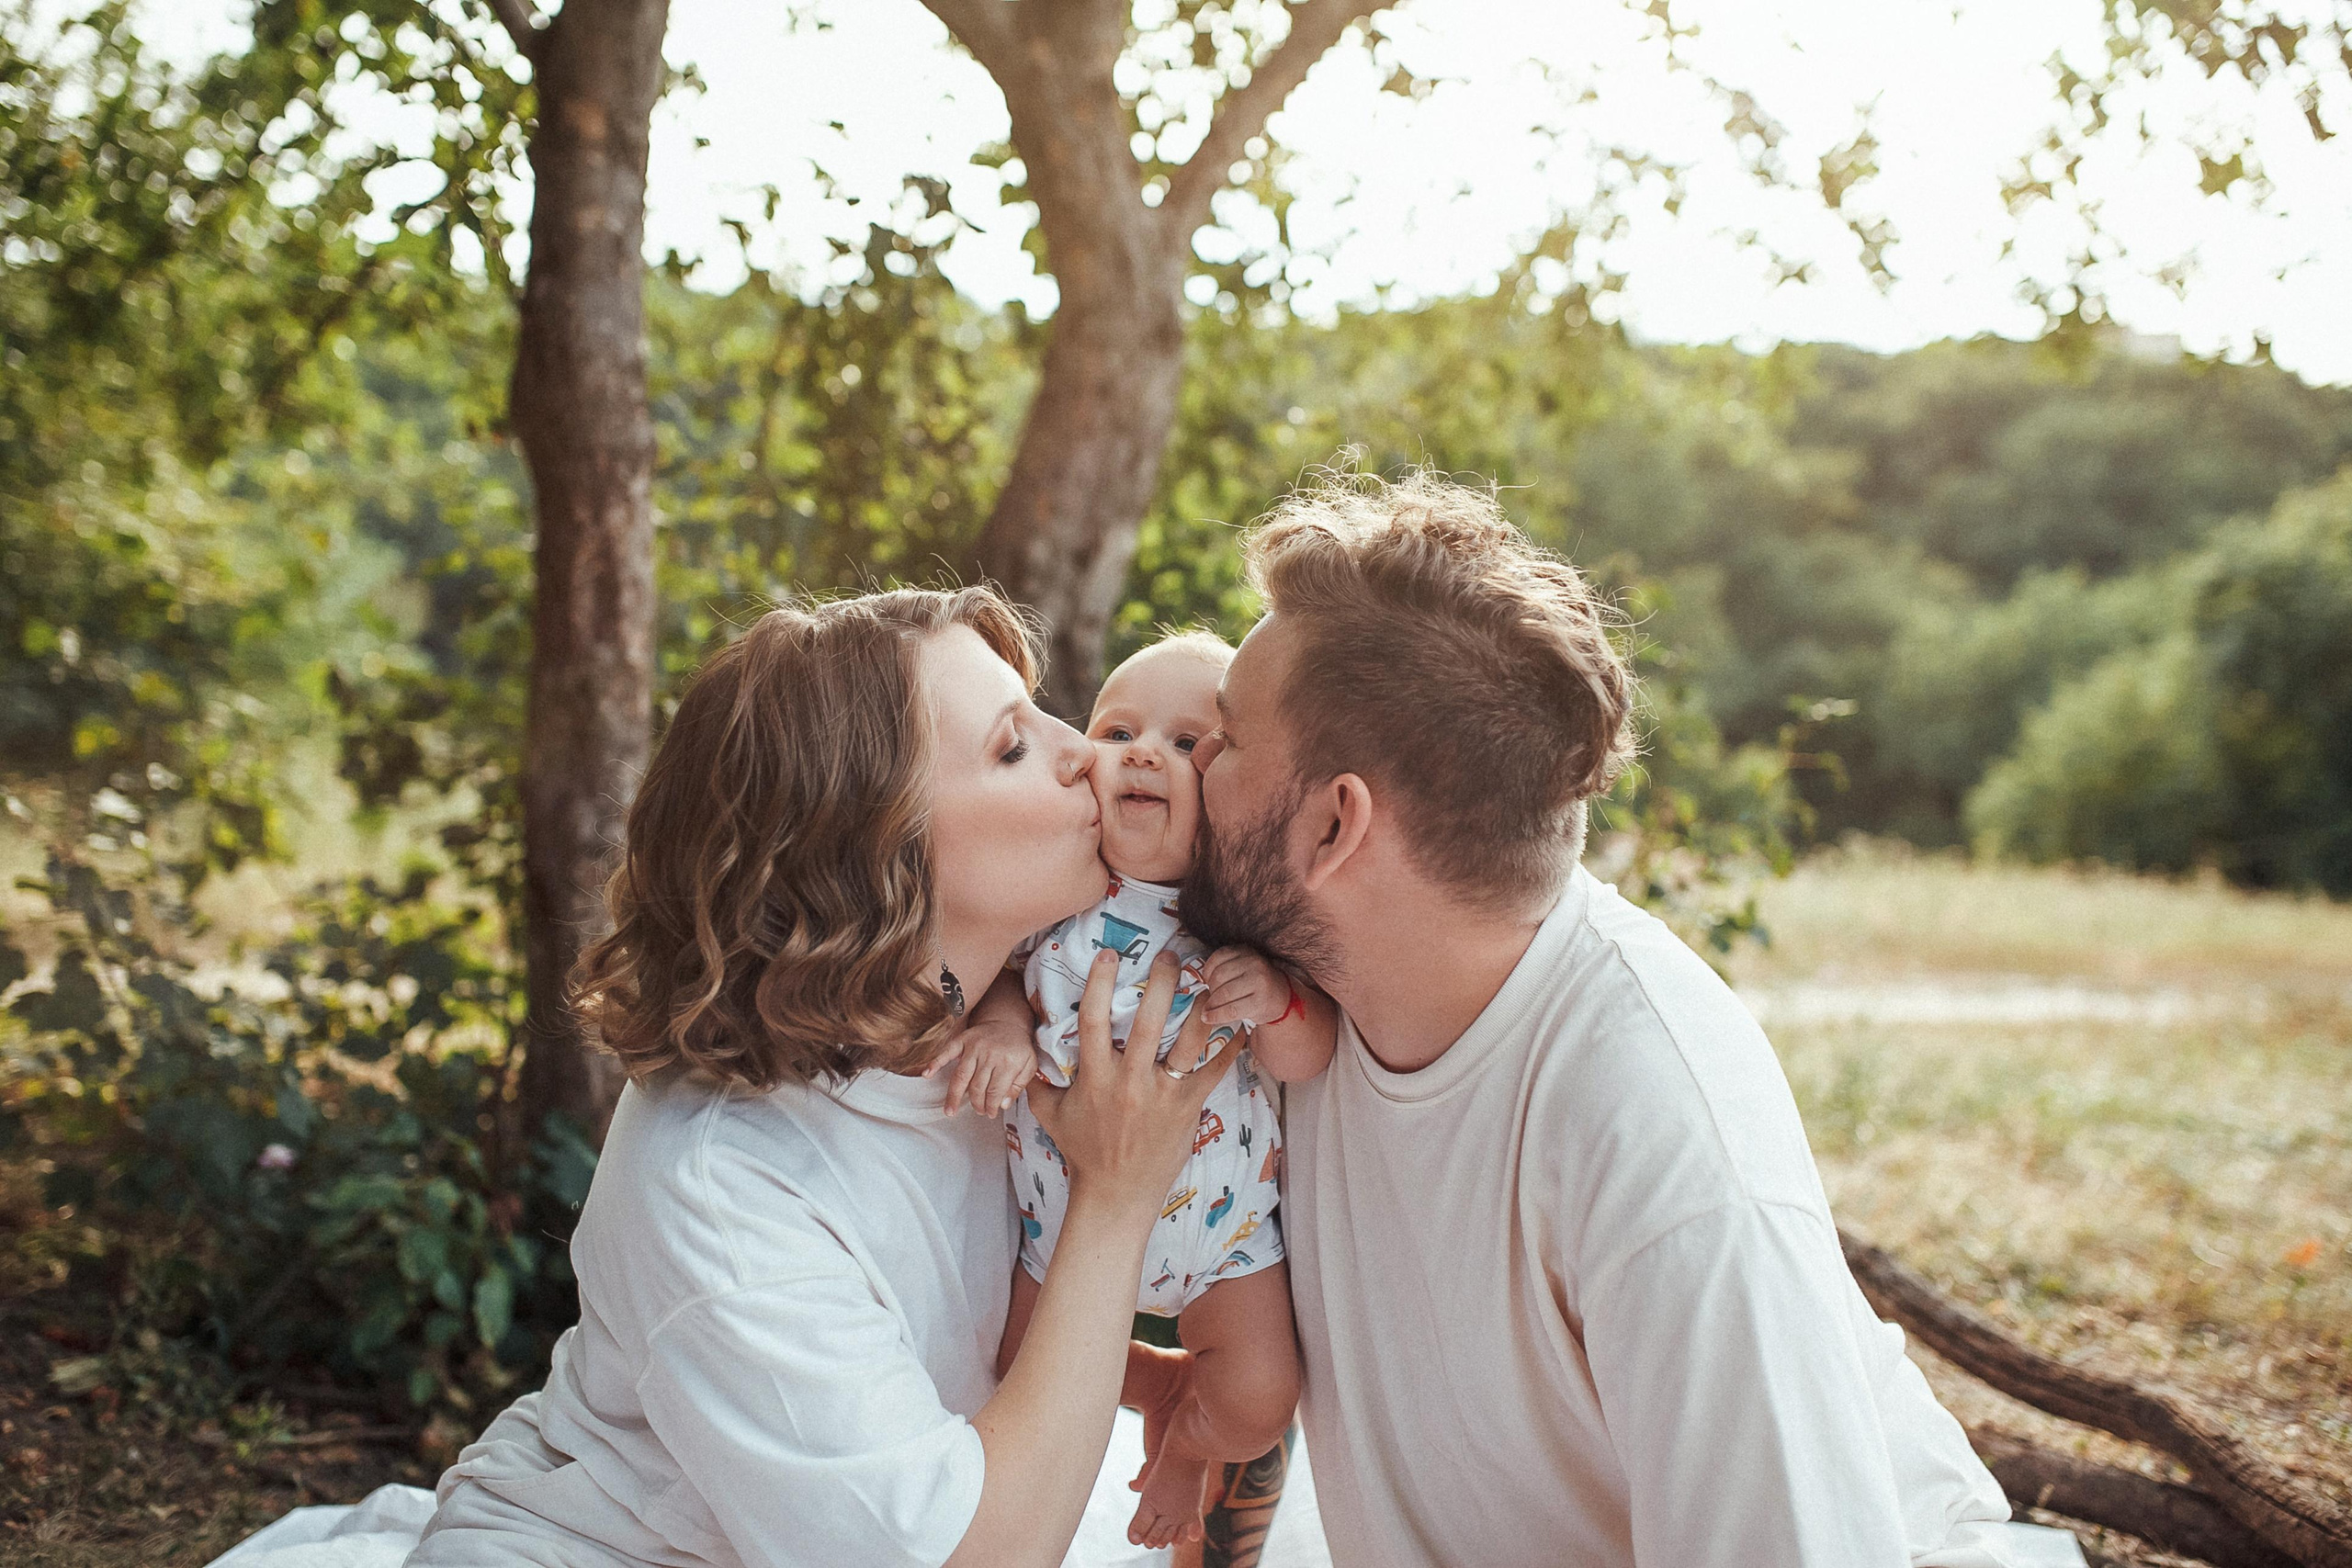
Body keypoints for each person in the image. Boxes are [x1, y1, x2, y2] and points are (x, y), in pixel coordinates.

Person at [1173, 470, 2025, 1567]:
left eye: (1227, 741)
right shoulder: (1299, 1007)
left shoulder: (1660, 1144)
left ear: (1338, 828)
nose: (1194, 764)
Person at [402, 586, 1241, 1568]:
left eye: (1041, 710)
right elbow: (976, 1559)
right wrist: (1119, 1192)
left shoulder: (1007, 1022)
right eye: (1011, 748)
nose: (1081, 753)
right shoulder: (721, 1178)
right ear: (873, 854)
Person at [938, 631, 1338, 1551]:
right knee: (1010, 1368)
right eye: (1117, 730)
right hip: (1063, 1228)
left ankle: (1191, 1446)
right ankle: (1158, 1388)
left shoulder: (1237, 921)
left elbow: (1307, 1055)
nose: (1142, 751)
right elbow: (1004, 972)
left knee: (1256, 1401)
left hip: (1229, 1233)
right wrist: (999, 1026)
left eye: (1189, 742)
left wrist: (1277, 1005)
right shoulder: (1060, 893)